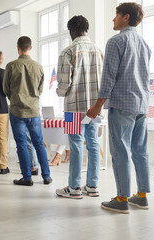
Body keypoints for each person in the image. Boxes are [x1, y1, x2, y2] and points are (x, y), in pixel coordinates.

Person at [87, 3, 151, 214]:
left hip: (123, 104)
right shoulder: (144, 43)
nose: (112, 19)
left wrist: (98, 105)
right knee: (140, 151)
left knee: (120, 152)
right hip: (141, 105)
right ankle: (141, 197)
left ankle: (122, 198)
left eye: (115, 15)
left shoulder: (116, 41)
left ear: (125, 17)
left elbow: (109, 77)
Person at [55, 15, 103, 199]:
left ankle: (74, 187)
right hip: (94, 108)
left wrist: (59, 92)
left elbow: (64, 85)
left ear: (72, 31)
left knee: (75, 144)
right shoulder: (98, 50)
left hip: (73, 109)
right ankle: (92, 185)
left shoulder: (68, 52)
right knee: (93, 144)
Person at [3, 36, 52, 186]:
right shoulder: (38, 66)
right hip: (34, 110)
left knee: (22, 144)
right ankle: (46, 176)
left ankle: (27, 177)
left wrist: (15, 98)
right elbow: (40, 89)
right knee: (38, 143)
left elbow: (5, 88)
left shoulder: (11, 66)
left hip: (17, 110)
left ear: (18, 48)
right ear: (31, 48)